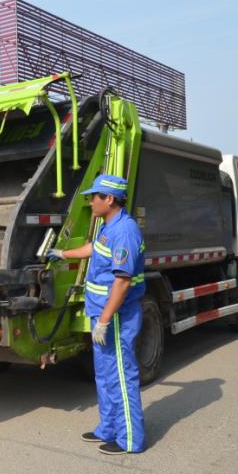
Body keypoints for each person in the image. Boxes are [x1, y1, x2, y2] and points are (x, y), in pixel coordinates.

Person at [48, 174, 146, 455]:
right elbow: (93, 249)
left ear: (110, 199)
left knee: (121, 376)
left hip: (115, 316)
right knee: (104, 374)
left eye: (94, 197)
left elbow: (123, 281)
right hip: (101, 313)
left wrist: (103, 320)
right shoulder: (108, 226)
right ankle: (108, 428)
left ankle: (130, 440)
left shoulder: (124, 231)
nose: (90, 202)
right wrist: (63, 254)